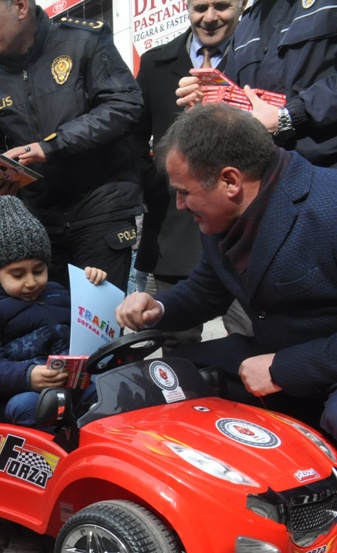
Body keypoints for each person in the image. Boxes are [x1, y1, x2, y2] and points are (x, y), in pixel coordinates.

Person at [115, 104, 337, 440]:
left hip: (321, 367)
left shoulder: (328, 207)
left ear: (230, 180)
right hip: (269, 356)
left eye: (185, 192)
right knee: (155, 380)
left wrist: (285, 368)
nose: (179, 205)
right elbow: (206, 291)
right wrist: (157, 308)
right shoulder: (225, 218)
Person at [0, 0, 144, 291]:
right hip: (40, 222)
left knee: (101, 326)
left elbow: (124, 105)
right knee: (53, 324)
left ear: (20, 7)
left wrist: (52, 146)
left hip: (101, 206)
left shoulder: (85, 39)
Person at [134, 0, 251, 347]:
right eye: (200, 6)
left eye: (222, 6)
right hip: (174, 230)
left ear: (242, 5)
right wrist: (156, 185)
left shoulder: (259, 56)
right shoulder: (155, 64)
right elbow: (134, 141)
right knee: (176, 349)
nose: (210, 17)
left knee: (254, 341)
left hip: (244, 230)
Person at [0, 196, 106, 428]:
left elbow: (92, 330)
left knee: (113, 389)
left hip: (71, 382)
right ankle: (55, 457)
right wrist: (28, 375)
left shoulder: (57, 293)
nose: (31, 282)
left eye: (39, 270)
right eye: (18, 275)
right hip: (14, 395)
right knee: (36, 406)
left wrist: (94, 286)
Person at [176, 0, 337, 168]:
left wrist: (288, 115)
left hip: (327, 166)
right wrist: (208, 105)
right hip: (270, 172)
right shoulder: (247, 24)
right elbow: (237, 100)